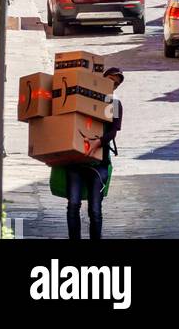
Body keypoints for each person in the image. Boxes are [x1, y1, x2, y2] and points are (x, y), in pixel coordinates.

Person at [64, 67, 123, 241]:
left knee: (95, 210)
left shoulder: (114, 104)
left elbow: (113, 132)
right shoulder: (85, 97)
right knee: (73, 205)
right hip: (76, 160)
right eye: (111, 79)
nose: (113, 84)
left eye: (116, 83)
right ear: (102, 78)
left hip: (99, 163)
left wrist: (99, 142)